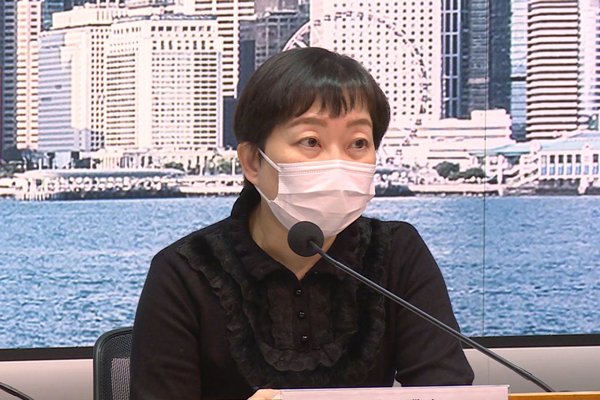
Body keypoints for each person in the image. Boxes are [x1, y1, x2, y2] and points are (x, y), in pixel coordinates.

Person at [130, 47, 474, 400]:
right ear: (252, 162)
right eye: (311, 141)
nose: (337, 163)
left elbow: (446, 388)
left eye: (358, 143)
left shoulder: (396, 252)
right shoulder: (186, 272)